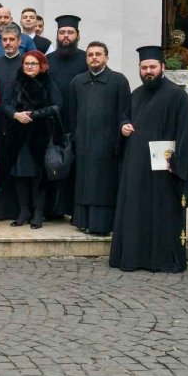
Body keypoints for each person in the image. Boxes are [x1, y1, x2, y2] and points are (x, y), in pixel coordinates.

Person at [110, 46, 188, 273]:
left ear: (162, 68)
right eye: (144, 67)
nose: (148, 71)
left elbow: (187, 134)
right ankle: (134, 258)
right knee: (136, 211)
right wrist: (123, 127)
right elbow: (123, 118)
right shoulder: (136, 94)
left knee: (161, 212)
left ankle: (161, 260)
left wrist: (177, 165)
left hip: (164, 170)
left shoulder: (177, 95)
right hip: (136, 168)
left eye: (152, 67)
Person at [67, 41, 130, 235]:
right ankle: (82, 221)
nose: (94, 57)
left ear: (106, 58)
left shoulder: (118, 80)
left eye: (98, 54)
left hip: (107, 144)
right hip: (83, 143)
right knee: (83, 182)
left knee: (103, 184)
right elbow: (72, 114)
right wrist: (74, 137)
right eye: (90, 54)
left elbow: (125, 112)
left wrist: (119, 137)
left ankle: (101, 224)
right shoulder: (77, 81)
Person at [1, 50, 61, 229]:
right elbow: (4, 104)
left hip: (40, 134)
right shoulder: (16, 80)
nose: (29, 66)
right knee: (19, 175)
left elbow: (57, 106)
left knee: (38, 176)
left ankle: (38, 213)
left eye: (33, 63)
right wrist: (16, 115)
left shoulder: (48, 81)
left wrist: (35, 114)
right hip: (17, 135)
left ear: (41, 65)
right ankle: (24, 211)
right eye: (26, 63)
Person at [45, 14, 88, 220]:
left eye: (70, 32)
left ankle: (74, 209)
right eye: (62, 32)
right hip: (53, 121)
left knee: (76, 166)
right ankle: (52, 210)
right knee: (52, 164)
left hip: (78, 120)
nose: (65, 36)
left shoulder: (85, 59)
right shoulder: (49, 60)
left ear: (78, 35)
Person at [0, 23, 25, 221]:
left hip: (21, 125)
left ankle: (20, 210)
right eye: (5, 40)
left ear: (19, 41)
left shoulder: (26, 64)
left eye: (12, 39)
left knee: (19, 167)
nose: (8, 43)